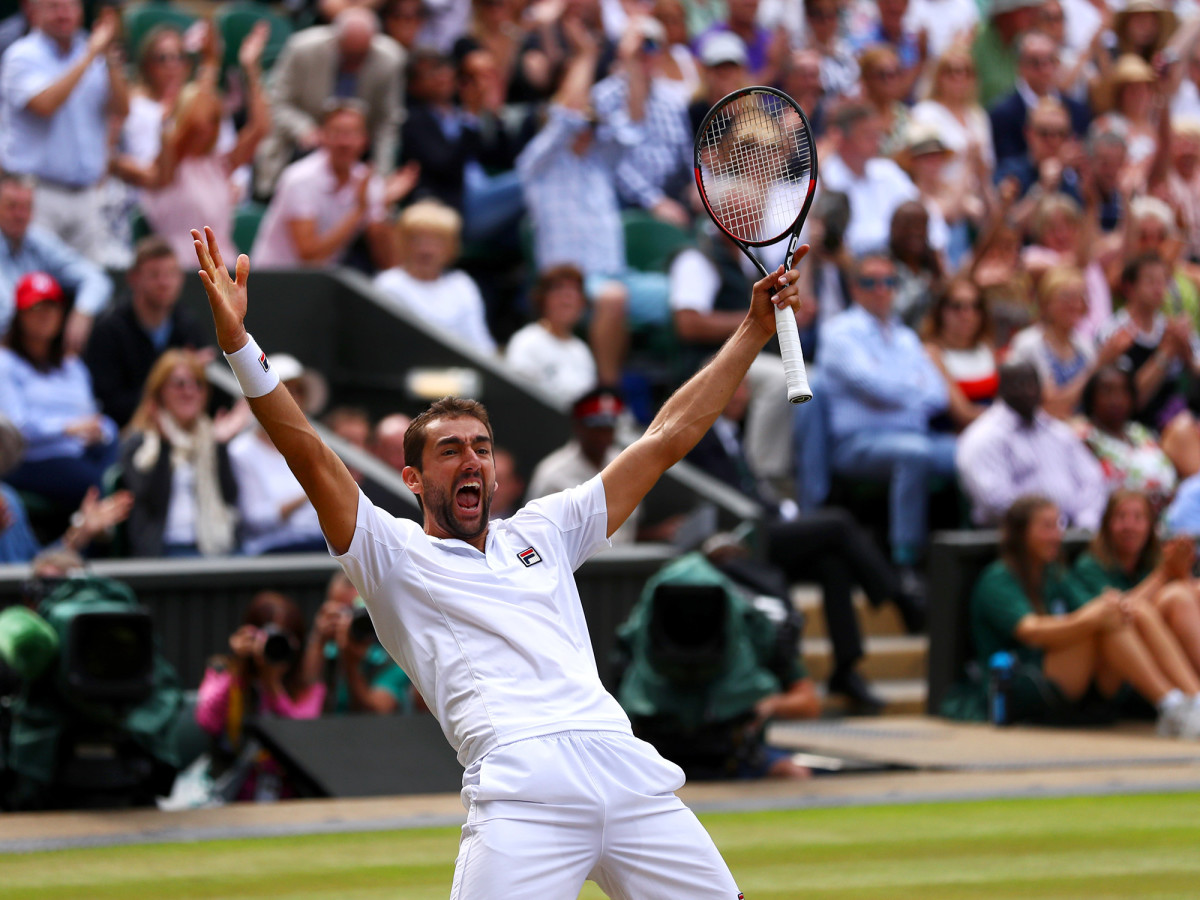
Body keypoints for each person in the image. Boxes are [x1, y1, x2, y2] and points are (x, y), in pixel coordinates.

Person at [190, 215, 806, 895]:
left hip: (625, 767)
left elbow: (664, 437)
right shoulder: (389, 552)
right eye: (449, 451)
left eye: (480, 447)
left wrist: (751, 330)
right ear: (415, 480)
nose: (471, 460)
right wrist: (239, 345)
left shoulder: (545, 527)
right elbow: (306, 450)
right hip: (523, 787)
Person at [687, 374, 926, 711]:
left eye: (744, 387)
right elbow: (728, 498)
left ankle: (846, 668)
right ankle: (899, 597)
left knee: (834, 564)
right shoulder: (701, 434)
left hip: (766, 525)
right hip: (741, 538)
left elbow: (752, 490)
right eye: (735, 385)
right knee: (838, 523)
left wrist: (783, 509)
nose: (742, 395)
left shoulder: (734, 433)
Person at [970, 495, 1200, 734]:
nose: (1055, 535)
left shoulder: (1055, 573)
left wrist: (1106, 609)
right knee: (1112, 617)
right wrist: (1094, 616)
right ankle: (1171, 705)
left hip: (1089, 681)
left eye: (1058, 526)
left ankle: (1193, 701)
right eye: (1046, 527)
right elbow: (1031, 631)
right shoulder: (998, 578)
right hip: (1021, 683)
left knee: (1129, 612)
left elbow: (1100, 609)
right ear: (1021, 532)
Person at [615, 550, 814, 779]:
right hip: (657, 754)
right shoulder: (638, 633)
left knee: (793, 773)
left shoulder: (753, 628)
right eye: (681, 613)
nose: (692, 621)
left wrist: (771, 705)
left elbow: (809, 703)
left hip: (735, 752)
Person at [820, 252, 954, 570]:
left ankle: (967, 547)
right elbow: (872, 384)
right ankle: (906, 560)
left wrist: (898, 391)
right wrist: (910, 389)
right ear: (854, 288)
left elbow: (938, 394)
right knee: (915, 454)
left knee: (966, 452)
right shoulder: (838, 332)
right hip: (856, 445)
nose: (881, 289)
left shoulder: (906, 336)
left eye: (889, 281)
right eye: (871, 282)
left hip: (913, 434)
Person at [118, 22, 272, 266]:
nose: (208, 127)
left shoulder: (218, 165)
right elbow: (194, 118)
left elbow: (260, 128)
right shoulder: (168, 160)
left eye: (215, 120)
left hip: (223, 267)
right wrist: (210, 62)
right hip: (178, 270)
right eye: (205, 119)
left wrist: (251, 68)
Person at [0, 0, 129, 263]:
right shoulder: (22, 54)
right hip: (37, 195)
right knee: (39, 287)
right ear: (36, 12)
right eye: (55, 6)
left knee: (89, 284)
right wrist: (90, 55)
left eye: (70, 6)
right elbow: (46, 105)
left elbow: (121, 109)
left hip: (87, 196)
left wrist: (111, 63)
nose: (64, 14)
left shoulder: (94, 52)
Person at [253, 6, 404, 199]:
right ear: (335, 40)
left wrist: (381, 181)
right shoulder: (302, 48)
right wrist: (304, 129)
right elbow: (276, 102)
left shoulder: (390, 60)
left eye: (361, 56)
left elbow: (388, 123)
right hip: (301, 144)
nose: (353, 63)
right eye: (349, 54)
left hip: (356, 151)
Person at [0, 272, 118, 511]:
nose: (45, 315)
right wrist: (67, 428)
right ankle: (92, 541)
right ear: (19, 315)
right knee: (92, 486)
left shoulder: (72, 365)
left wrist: (102, 430)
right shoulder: (5, 363)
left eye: (52, 307)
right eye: (35, 307)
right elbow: (15, 428)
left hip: (79, 452)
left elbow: (94, 416)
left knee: (124, 467)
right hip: (30, 459)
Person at [196, 590, 325, 801]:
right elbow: (207, 720)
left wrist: (272, 685)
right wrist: (238, 669)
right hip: (234, 795)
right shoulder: (225, 670)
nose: (274, 645)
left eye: (284, 636)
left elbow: (302, 738)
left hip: (293, 798)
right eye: (267, 636)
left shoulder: (309, 685)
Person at [119, 350, 244, 558]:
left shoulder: (209, 438)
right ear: (159, 392)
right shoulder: (139, 442)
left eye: (198, 384)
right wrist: (165, 443)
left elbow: (230, 498)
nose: (190, 391)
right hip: (165, 551)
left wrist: (220, 447)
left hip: (214, 547)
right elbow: (151, 502)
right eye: (179, 384)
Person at [956, 360, 1106, 530]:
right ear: (1001, 389)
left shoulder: (1058, 432)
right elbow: (994, 500)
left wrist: (1084, 523)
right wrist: (1052, 526)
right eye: (1018, 384)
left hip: (1076, 533)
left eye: (1032, 384)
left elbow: (1092, 480)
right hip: (1014, 539)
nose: (1027, 391)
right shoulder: (984, 436)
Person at [251, 101, 395, 271]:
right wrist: (359, 211)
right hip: (275, 278)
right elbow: (309, 256)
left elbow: (386, 258)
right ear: (323, 136)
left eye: (352, 134)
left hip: (322, 281)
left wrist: (385, 204)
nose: (345, 142)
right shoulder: (299, 179)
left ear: (365, 140)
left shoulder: (370, 181)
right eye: (337, 133)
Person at [84, 237, 211, 430]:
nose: (164, 282)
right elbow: (108, 403)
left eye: (171, 274)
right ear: (133, 278)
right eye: (154, 275)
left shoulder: (189, 326)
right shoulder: (108, 331)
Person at [1073, 489, 1200, 679]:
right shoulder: (1089, 565)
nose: (1129, 526)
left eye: (1138, 518)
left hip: (1162, 653)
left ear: (1150, 526)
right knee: (1175, 598)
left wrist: (1182, 571)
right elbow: (1115, 612)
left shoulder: (1152, 559)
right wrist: (1164, 573)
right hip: (1112, 664)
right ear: (1107, 524)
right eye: (1121, 517)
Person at [228, 354, 330, 555]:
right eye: (284, 390)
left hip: (320, 548)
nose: (292, 398)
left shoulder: (317, 443)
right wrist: (309, 493)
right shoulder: (241, 451)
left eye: (298, 391)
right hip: (270, 554)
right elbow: (255, 520)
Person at [0, 172, 111, 354]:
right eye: (12, 206)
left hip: (34, 350)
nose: (20, 215)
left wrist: (82, 312)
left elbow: (97, 279)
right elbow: (5, 315)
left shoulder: (37, 240)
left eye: (27, 207)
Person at [372, 199, 496, 354]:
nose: (426, 250)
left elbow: (481, 346)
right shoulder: (388, 285)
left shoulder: (462, 285)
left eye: (436, 241)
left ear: (451, 247)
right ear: (402, 243)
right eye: (417, 240)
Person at [1008, 265, 1129, 419]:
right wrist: (1098, 365)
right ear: (1046, 303)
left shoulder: (1084, 346)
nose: (1075, 305)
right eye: (1067, 298)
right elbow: (1050, 406)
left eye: (1081, 298)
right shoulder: (1028, 344)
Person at [526, 387, 641, 544]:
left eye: (608, 428)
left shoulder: (626, 464)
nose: (603, 436)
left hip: (627, 563)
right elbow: (533, 532)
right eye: (596, 428)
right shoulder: (553, 471)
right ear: (579, 427)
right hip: (573, 567)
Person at [302, 571, 413, 714]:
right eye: (342, 613)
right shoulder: (326, 651)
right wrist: (317, 640)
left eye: (360, 613)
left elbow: (376, 712)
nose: (350, 623)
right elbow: (304, 698)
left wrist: (351, 663)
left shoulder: (396, 656)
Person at [819, 103, 919, 257]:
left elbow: (923, 216)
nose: (876, 141)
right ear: (840, 138)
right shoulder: (822, 177)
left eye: (877, 134)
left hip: (894, 262)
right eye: (867, 135)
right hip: (846, 269)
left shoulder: (888, 170)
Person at [1079, 365, 1178, 514]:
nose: (1116, 399)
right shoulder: (1085, 438)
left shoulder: (1140, 432)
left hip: (1164, 514)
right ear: (1091, 397)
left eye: (1123, 391)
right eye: (1107, 391)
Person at [987, 31, 1091, 167]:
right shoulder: (1003, 114)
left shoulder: (1077, 110)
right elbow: (1006, 166)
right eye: (1035, 63)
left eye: (1050, 61)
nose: (1044, 69)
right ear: (1020, 66)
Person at [504, 263, 598, 402]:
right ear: (543, 299)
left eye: (575, 291)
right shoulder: (526, 341)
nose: (567, 297)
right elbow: (519, 398)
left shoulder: (582, 350)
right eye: (559, 289)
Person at [921, 279, 998, 432]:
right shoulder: (931, 352)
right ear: (940, 311)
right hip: (951, 437)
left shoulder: (986, 347)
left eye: (975, 306)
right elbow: (962, 414)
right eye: (957, 306)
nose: (967, 314)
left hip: (991, 432)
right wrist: (1007, 419)